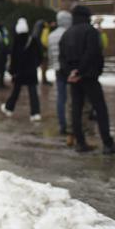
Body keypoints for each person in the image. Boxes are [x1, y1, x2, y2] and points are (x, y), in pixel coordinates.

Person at [59, 5, 115, 154]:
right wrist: (81, 71)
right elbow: (92, 53)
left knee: (76, 109)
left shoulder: (67, 33)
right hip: (89, 76)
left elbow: (61, 57)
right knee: (100, 109)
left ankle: (80, 142)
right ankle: (107, 143)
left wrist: (71, 72)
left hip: (74, 78)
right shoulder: (90, 31)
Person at [1, 17, 42, 121]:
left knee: (16, 91)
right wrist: (36, 64)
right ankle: (35, 113)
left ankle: (9, 108)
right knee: (33, 93)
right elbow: (40, 54)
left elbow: (13, 58)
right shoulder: (33, 39)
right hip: (31, 71)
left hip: (20, 72)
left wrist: (12, 71)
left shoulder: (16, 40)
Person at [48, 11, 74, 145]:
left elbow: (50, 54)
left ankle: (62, 123)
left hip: (58, 69)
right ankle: (70, 125)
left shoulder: (52, 35)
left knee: (61, 98)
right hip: (68, 69)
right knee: (71, 99)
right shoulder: (69, 33)